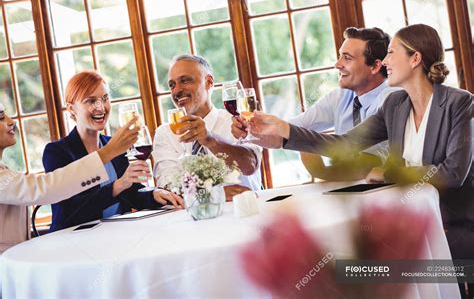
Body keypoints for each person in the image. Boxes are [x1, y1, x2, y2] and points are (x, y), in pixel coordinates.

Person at [248, 24, 473, 297]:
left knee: (368, 268)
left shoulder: (459, 104)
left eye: (391, 53)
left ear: (415, 59)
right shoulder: (395, 106)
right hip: (416, 223)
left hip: (455, 230)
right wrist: (285, 133)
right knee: (351, 265)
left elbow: (453, 173)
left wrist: (390, 174)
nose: (386, 61)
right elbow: (345, 144)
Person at [232, 27, 399, 180]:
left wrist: (320, 171)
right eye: (340, 56)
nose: (338, 64)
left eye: (347, 58)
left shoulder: (391, 99)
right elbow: (295, 128)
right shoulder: (342, 96)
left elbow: (356, 154)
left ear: (376, 66)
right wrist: (252, 131)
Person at [43, 71, 183, 232]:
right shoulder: (57, 152)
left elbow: (133, 195)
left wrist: (155, 194)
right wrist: (119, 184)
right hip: (74, 242)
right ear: (72, 109)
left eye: (105, 98)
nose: (101, 107)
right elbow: (68, 211)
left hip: (116, 237)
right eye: (91, 101)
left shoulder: (113, 144)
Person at [0, 101, 140, 254]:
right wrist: (107, 153)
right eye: (1, 117)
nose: (11, 121)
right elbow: (45, 188)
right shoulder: (57, 150)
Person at [153, 54, 262, 200]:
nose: (177, 90)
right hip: (189, 221)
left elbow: (250, 166)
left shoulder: (237, 121)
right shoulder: (165, 134)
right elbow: (167, 186)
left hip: (243, 213)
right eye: (172, 85)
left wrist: (210, 140)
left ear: (209, 82)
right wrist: (215, 194)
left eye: (185, 80)